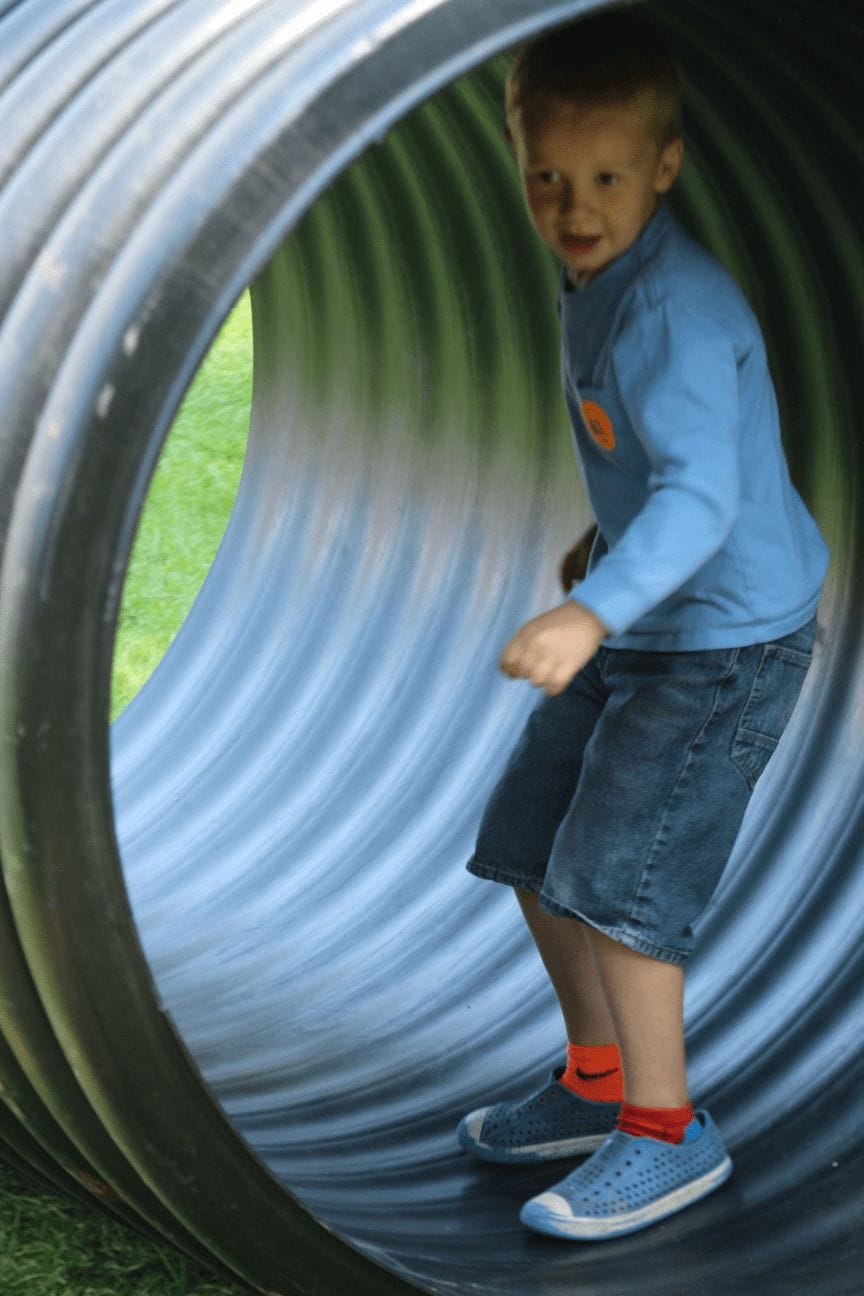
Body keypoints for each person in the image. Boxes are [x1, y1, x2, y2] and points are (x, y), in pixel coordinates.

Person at [457, 9, 829, 1241]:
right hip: (651, 611)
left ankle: (668, 1137)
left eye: (606, 177)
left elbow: (703, 497)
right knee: (527, 842)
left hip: (723, 646)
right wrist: (601, 551)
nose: (573, 204)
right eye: (548, 178)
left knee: (619, 885)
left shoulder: (673, 309)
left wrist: (590, 605)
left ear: (664, 169)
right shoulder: (597, 280)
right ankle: (594, 1081)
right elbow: (653, 463)